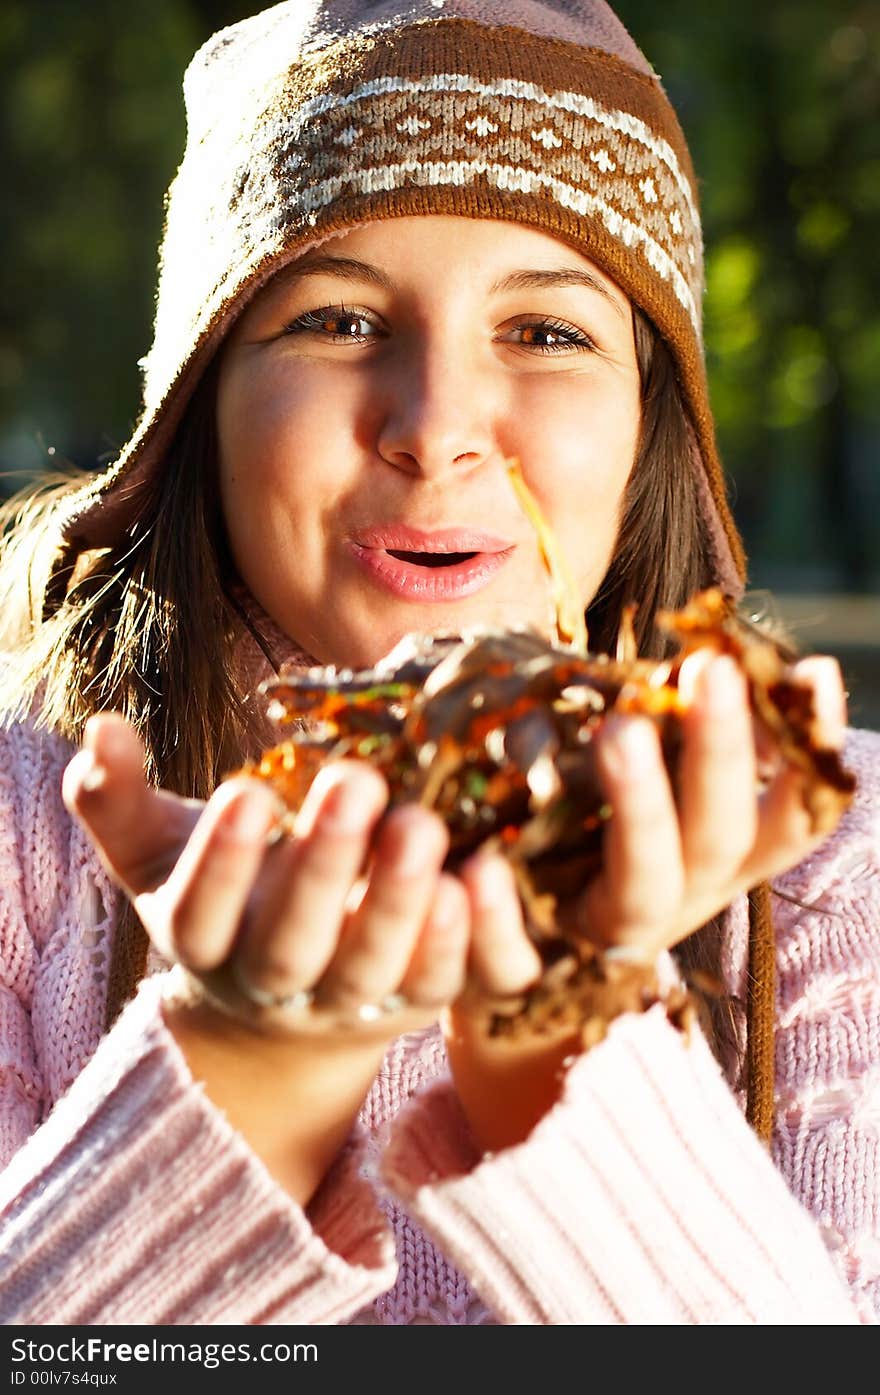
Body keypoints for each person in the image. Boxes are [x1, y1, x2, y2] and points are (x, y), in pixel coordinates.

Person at [0, 0, 876, 1327]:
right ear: (197, 405)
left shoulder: (827, 872)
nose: (438, 426)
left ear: (653, 426)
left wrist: (565, 1043)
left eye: (545, 331)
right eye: (340, 321)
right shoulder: (26, 851)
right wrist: (250, 1067)